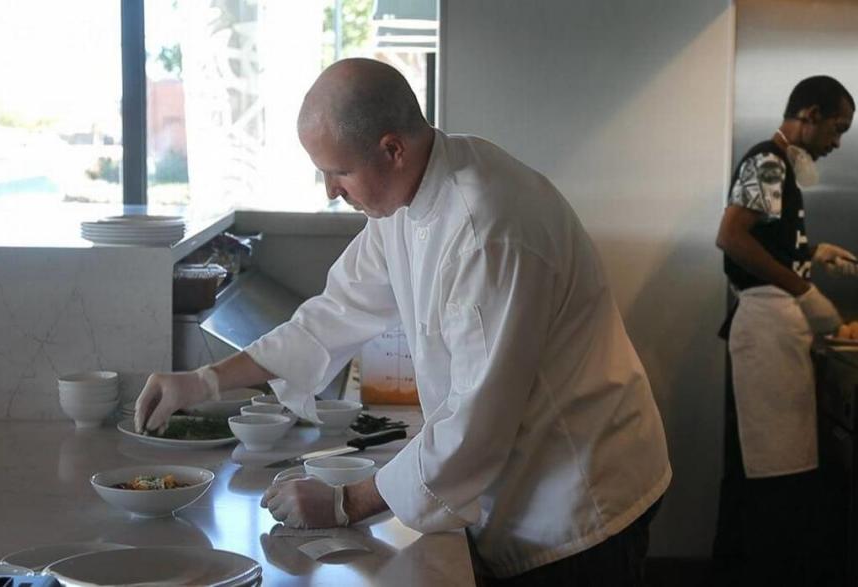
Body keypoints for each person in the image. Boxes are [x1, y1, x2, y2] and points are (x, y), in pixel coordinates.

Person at [134, 58, 671, 585]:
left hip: (577, 498)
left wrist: (344, 503)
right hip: (518, 480)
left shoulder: (487, 231)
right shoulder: (406, 199)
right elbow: (330, 314)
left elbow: (475, 425)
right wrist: (204, 381)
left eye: (338, 171)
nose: (329, 190)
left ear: (392, 148)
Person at [711, 75, 858, 586]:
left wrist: (809, 253)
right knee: (770, 474)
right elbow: (732, 238)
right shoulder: (768, 161)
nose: (837, 143)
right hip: (765, 325)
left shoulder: (783, 169)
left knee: (777, 469)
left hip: (777, 329)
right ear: (810, 115)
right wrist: (803, 291)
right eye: (837, 129)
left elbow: (767, 240)